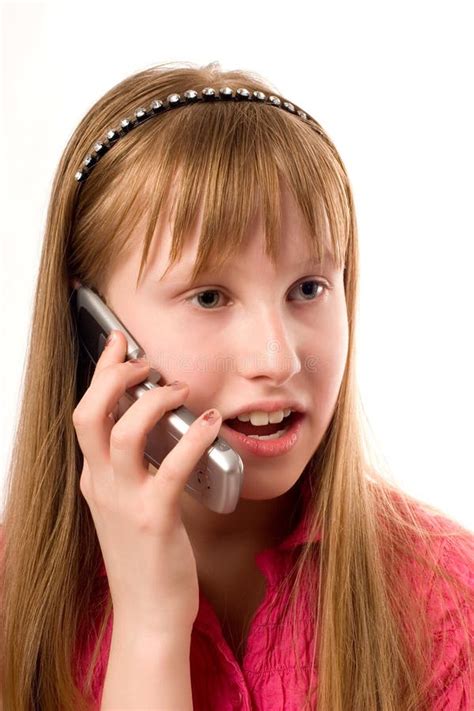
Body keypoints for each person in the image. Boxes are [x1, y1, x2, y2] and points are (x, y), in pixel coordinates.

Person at [0, 60, 472, 711]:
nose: (276, 358)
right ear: (91, 326)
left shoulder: (450, 595)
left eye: (309, 288)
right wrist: (150, 627)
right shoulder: (13, 601)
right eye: (211, 295)